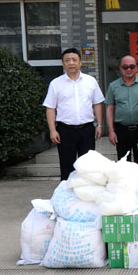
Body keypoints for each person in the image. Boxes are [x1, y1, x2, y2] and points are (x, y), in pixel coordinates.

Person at [43, 48, 105, 181]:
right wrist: (52, 130)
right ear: (63, 63)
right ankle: (66, 192)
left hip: (87, 130)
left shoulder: (90, 81)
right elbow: (50, 108)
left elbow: (97, 103)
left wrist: (99, 125)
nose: (71, 63)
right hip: (65, 130)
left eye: (74, 60)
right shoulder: (55, 84)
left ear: (80, 62)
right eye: (67, 60)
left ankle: (87, 191)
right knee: (67, 166)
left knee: (88, 166)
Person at [105, 55, 138, 163]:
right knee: (123, 163)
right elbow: (109, 109)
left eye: (132, 66)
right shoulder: (113, 86)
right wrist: (111, 131)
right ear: (120, 68)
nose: (129, 69)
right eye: (125, 67)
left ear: (136, 68)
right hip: (121, 130)